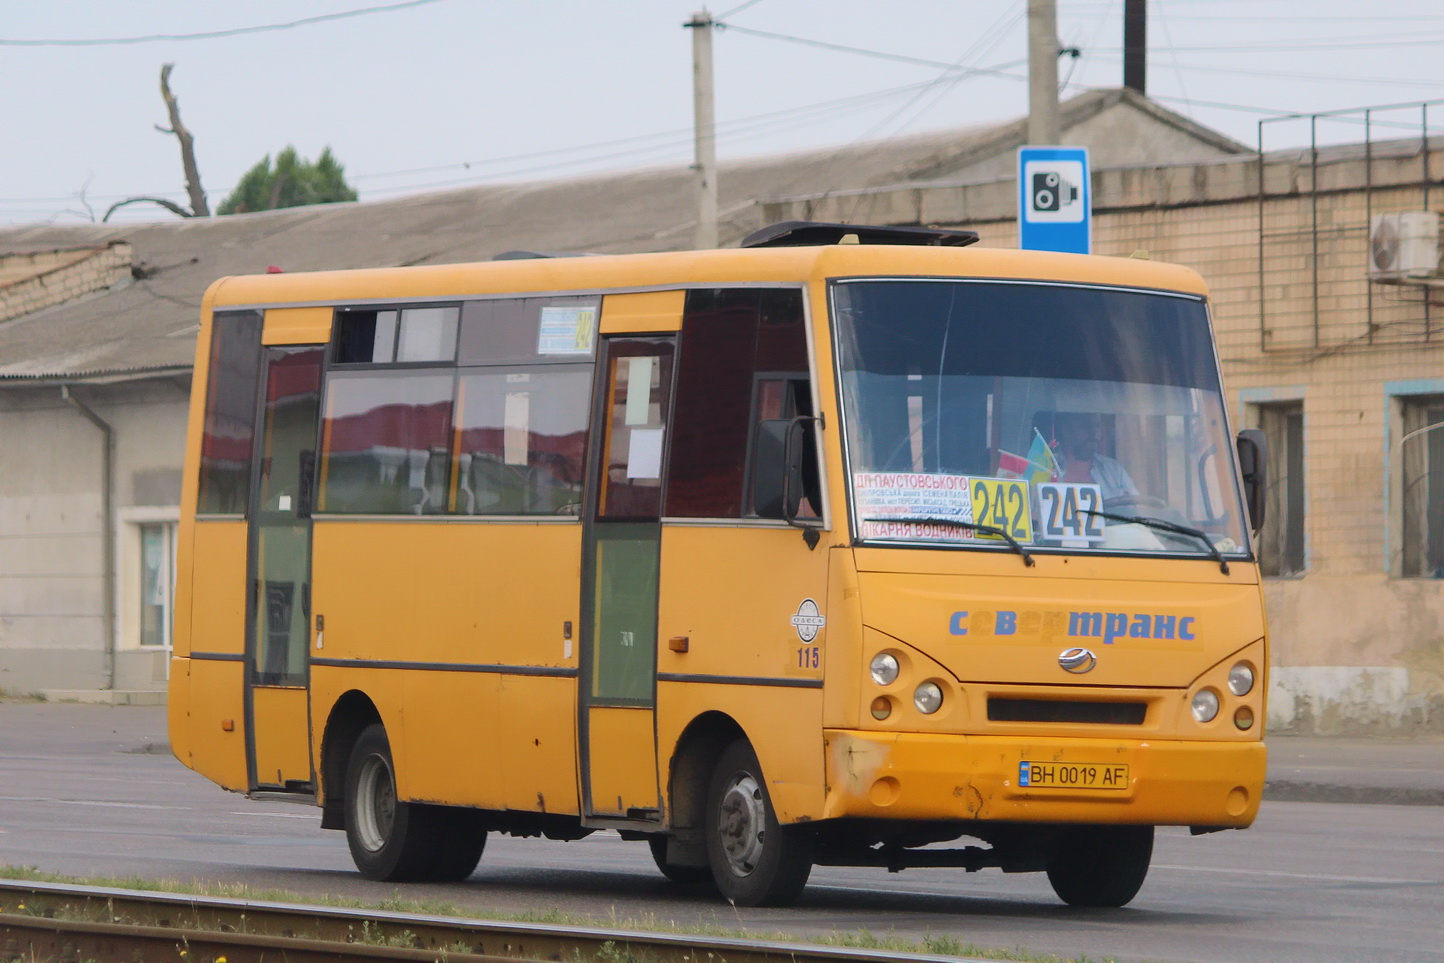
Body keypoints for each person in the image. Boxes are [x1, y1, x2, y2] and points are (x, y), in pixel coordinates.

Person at [1053, 412, 1138, 501]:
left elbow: (1136, 508)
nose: (1093, 432)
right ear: (1065, 429)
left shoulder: (1115, 471)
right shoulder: (1046, 468)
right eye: (1085, 426)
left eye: (1096, 425)